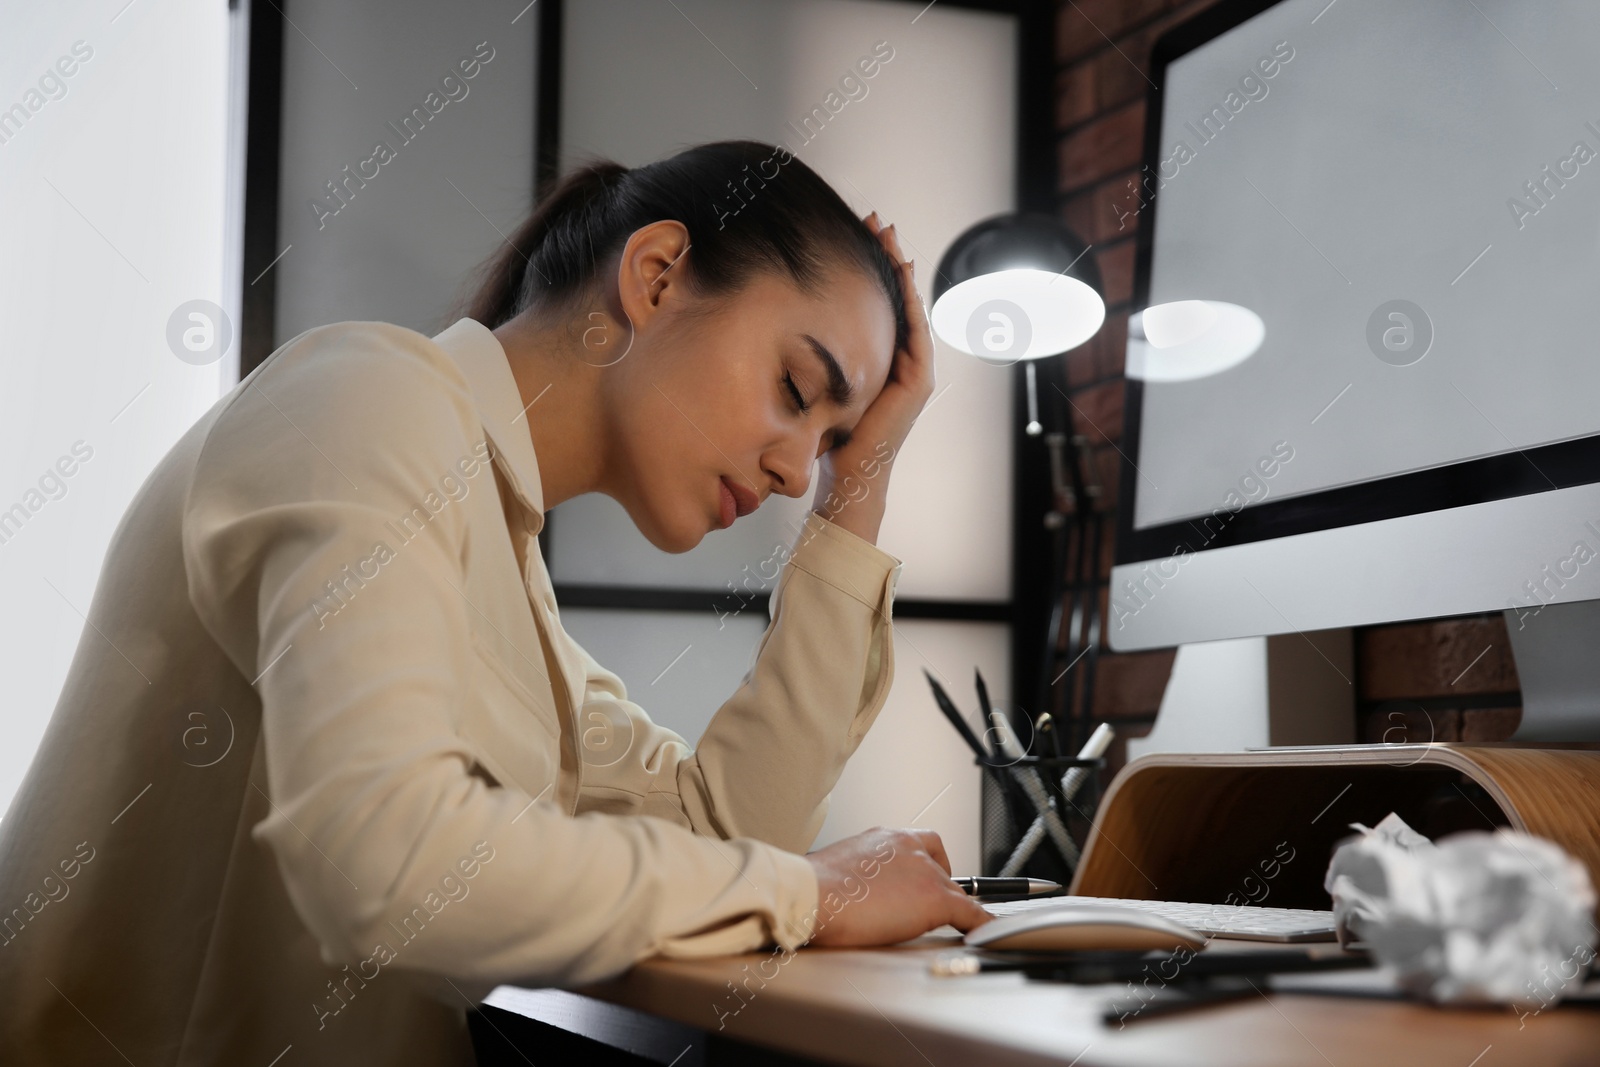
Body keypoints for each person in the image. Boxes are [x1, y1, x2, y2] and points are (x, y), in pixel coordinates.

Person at [0, 139, 990, 1065]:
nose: (792, 469)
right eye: (794, 387)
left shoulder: (509, 585)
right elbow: (384, 854)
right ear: (655, 276)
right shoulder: (366, 398)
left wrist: (861, 485)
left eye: (827, 440)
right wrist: (811, 892)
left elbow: (723, 832)